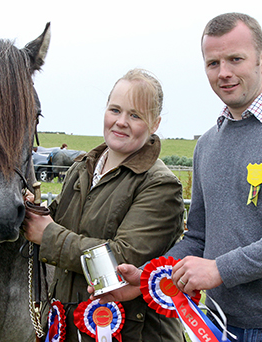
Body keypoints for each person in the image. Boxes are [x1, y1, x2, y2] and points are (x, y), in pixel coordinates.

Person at [93, 13, 262, 341]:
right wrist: (151, 276)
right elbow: (199, 236)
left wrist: (220, 269)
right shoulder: (208, 144)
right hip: (220, 326)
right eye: (213, 63)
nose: (223, 73)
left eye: (235, 59)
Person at [23, 68, 185, 341]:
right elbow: (60, 223)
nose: (121, 121)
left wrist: (47, 234)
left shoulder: (161, 186)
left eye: (135, 115)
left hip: (133, 333)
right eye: (115, 110)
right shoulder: (81, 168)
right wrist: (31, 211)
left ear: (155, 124)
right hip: (69, 325)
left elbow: (121, 259)